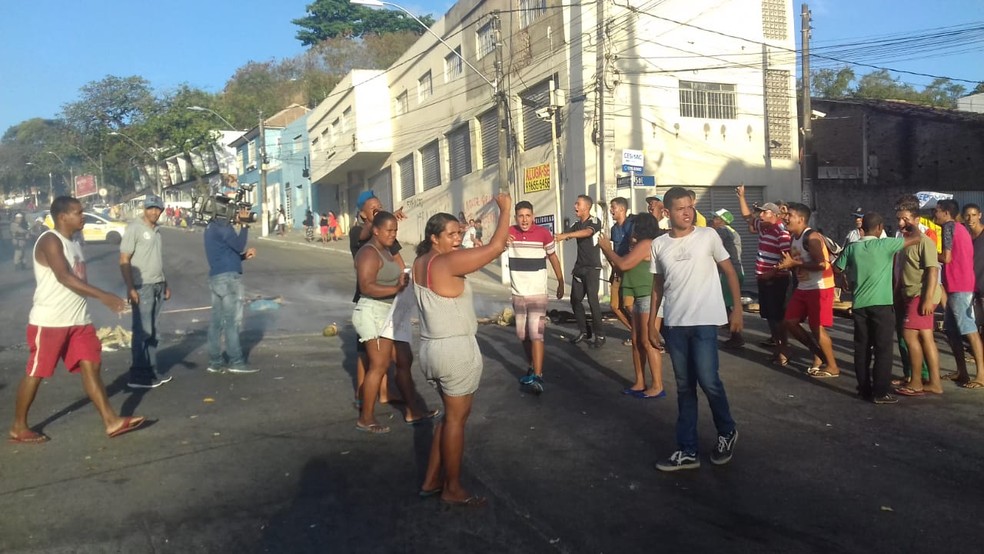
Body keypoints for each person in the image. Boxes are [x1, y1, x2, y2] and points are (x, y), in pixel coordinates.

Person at [9, 196, 145, 443]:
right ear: (63, 217)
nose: (83, 216)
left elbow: (78, 282)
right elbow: (63, 277)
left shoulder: (75, 242)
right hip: (50, 321)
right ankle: (19, 426)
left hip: (79, 320)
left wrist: (100, 301)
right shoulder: (50, 240)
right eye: (79, 213)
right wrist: (104, 296)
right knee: (37, 371)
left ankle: (111, 421)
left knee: (92, 365)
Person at [414, 193, 512, 507]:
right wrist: (505, 209)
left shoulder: (421, 261)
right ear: (434, 238)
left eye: (460, 233)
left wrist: (475, 243)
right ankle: (452, 487)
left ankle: (432, 479)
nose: (458, 238)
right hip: (455, 350)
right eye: (451, 234)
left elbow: (480, 252)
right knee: (457, 420)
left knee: (448, 418)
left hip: (430, 349)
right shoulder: (445, 261)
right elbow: (495, 248)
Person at [648, 187, 741, 471]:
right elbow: (657, 287)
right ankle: (687, 450)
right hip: (675, 325)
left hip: (704, 321)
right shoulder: (659, 244)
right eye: (680, 208)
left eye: (690, 206)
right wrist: (654, 323)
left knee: (708, 380)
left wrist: (736, 309)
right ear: (667, 213)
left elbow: (729, 270)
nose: (687, 212)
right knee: (685, 387)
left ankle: (727, 431)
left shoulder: (708, 236)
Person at [353, 211, 437, 433]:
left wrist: (403, 281)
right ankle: (366, 417)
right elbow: (366, 286)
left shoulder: (386, 250)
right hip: (372, 311)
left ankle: (413, 410)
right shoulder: (368, 253)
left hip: (392, 312)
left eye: (395, 230)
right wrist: (395, 288)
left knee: (404, 359)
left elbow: (391, 278)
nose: (393, 234)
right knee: (379, 365)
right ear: (376, 230)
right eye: (389, 230)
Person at [834, 212, 923, 403]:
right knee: (883, 349)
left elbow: (837, 268)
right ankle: (880, 392)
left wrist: (846, 278)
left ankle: (864, 388)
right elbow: (916, 239)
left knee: (862, 347)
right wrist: (911, 225)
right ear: (880, 228)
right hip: (882, 304)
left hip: (860, 305)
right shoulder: (886, 244)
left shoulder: (852, 248)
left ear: (862, 228)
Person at [350, 191, 407, 407]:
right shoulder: (358, 232)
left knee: (384, 356)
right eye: (373, 208)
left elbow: (399, 260)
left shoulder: (387, 234)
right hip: (369, 299)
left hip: (388, 301)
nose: (378, 208)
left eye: (380, 205)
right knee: (366, 354)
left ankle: (384, 393)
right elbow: (366, 233)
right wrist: (382, 218)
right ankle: (361, 395)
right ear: (363, 214)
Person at [600, 213, 665, 398]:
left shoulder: (647, 244)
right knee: (637, 341)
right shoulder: (639, 244)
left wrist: (606, 248)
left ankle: (657, 385)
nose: (631, 229)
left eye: (634, 225)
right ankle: (639, 382)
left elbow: (623, 264)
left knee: (647, 341)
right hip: (639, 296)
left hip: (648, 296)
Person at [775, 203, 841, 378]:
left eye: (789, 215)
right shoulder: (793, 237)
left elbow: (822, 264)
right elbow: (796, 262)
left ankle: (833, 367)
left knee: (816, 327)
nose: (786, 218)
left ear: (801, 219)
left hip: (820, 288)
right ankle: (819, 354)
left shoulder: (811, 237)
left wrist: (794, 264)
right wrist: (785, 266)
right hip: (804, 286)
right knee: (790, 321)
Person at [507, 201, 565, 393]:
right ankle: (532, 366)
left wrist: (560, 280)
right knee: (522, 335)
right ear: (516, 217)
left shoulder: (543, 234)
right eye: (520, 216)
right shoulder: (509, 233)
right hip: (518, 293)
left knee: (536, 334)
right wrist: (501, 242)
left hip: (538, 293)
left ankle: (538, 376)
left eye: (527, 215)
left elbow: (553, 257)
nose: (524, 219)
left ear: (533, 216)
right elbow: (494, 248)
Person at [120, 195, 173, 389]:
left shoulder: (157, 230)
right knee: (143, 331)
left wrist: (165, 283)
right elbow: (124, 259)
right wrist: (130, 287)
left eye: (157, 209)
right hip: (143, 286)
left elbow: (156, 260)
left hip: (158, 284)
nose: (154, 212)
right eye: (150, 208)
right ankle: (137, 375)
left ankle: (151, 371)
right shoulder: (134, 228)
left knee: (154, 332)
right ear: (144, 209)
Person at [893, 203, 943, 396]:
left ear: (916, 220)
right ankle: (934, 383)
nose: (901, 222)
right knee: (926, 337)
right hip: (910, 293)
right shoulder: (905, 241)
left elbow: (932, 270)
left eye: (905, 218)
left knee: (909, 335)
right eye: (899, 218)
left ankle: (916, 382)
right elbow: (901, 269)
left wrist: (927, 299)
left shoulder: (924, 241)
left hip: (921, 294)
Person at [737, 186, 791, 364]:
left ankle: (783, 351)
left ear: (774, 214)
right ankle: (778, 348)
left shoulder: (781, 231)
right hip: (764, 278)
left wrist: (772, 272)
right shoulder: (764, 227)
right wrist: (741, 197)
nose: (760, 215)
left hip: (776, 279)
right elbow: (747, 217)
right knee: (769, 316)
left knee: (777, 317)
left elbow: (787, 259)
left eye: (764, 212)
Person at [934, 199, 984, 388]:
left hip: (959, 286)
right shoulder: (962, 229)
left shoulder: (949, 227)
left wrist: (928, 251)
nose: (935, 214)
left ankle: (980, 375)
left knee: (969, 330)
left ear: (946, 213)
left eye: (937, 211)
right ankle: (962, 371)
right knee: (952, 331)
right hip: (959, 284)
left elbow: (946, 257)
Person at [204, 204, 258, 374]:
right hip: (229, 280)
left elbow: (225, 253)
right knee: (232, 322)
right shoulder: (224, 227)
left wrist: (242, 258)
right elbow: (239, 244)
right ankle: (236, 361)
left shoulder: (211, 227)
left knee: (216, 322)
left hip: (217, 277)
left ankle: (215, 361)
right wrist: (243, 225)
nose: (236, 214)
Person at [555, 195, 605, 347]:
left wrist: (567, 235)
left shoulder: (594, 221)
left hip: (592, 267)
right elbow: (562, 235)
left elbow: (587, 233)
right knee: (575, 300)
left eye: (578, 203)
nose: (575, 206)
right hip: (579, 267)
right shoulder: (577, 224)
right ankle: (584, 331)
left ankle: (600, 335)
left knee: (592, 300)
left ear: (587, 207)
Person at [711, 209, 745, 348]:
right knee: (727, 303)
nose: (713, 220)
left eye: (715, 218)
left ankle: (736, 335)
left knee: (726, 304)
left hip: (729, 272)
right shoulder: (732, 231)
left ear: (722, 220)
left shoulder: (723, 231)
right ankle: (733, 331)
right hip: (736, 271)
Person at [608, 197, 635, 344]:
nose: (611, 210)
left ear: (622, 209)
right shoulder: (614, 229)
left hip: (630, 271)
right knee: (614, 305)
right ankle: (635, 331)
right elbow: (614, 250)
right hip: (617, 271)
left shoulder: (632, 225)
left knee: (629, 305)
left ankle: (644, 332)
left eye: (613, 207)